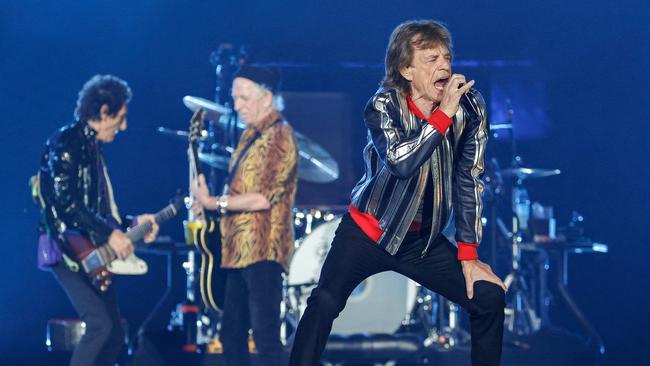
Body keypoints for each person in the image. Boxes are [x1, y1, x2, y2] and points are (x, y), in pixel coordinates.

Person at [289, 20, 507, 366]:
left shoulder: (471, 108)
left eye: (447, 58)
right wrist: (443, 115)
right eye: (431, 59)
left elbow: (469, 178)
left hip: (421, 243)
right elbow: (400, 162)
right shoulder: (383, 106)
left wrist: (469, 255)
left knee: (489, 297)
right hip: (368, 232)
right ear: (406, 69)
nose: (445, 67)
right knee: (324, 302)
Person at [34, 74, 159, 366]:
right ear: (104, 112)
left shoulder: (93, 150)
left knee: (113, 333)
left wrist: (131, 224)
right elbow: (65, 204)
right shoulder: (66, 142)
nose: (124, 126)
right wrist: (109, 232)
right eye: (121, 117)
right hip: (67, 249)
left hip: (93, 249)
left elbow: (100, 212)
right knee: (100, 325)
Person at [191, 65, 298, 366]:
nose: (236, 105)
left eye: (243, 97)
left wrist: (215, 202)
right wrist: (207, 204)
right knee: (231, 336)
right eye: (234, 97)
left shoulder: (279, 136)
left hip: (263, 250)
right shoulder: (251, 134)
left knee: (265, 337)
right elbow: (239, 192)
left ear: (266, 98)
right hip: (237, 250)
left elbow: (262, 198)